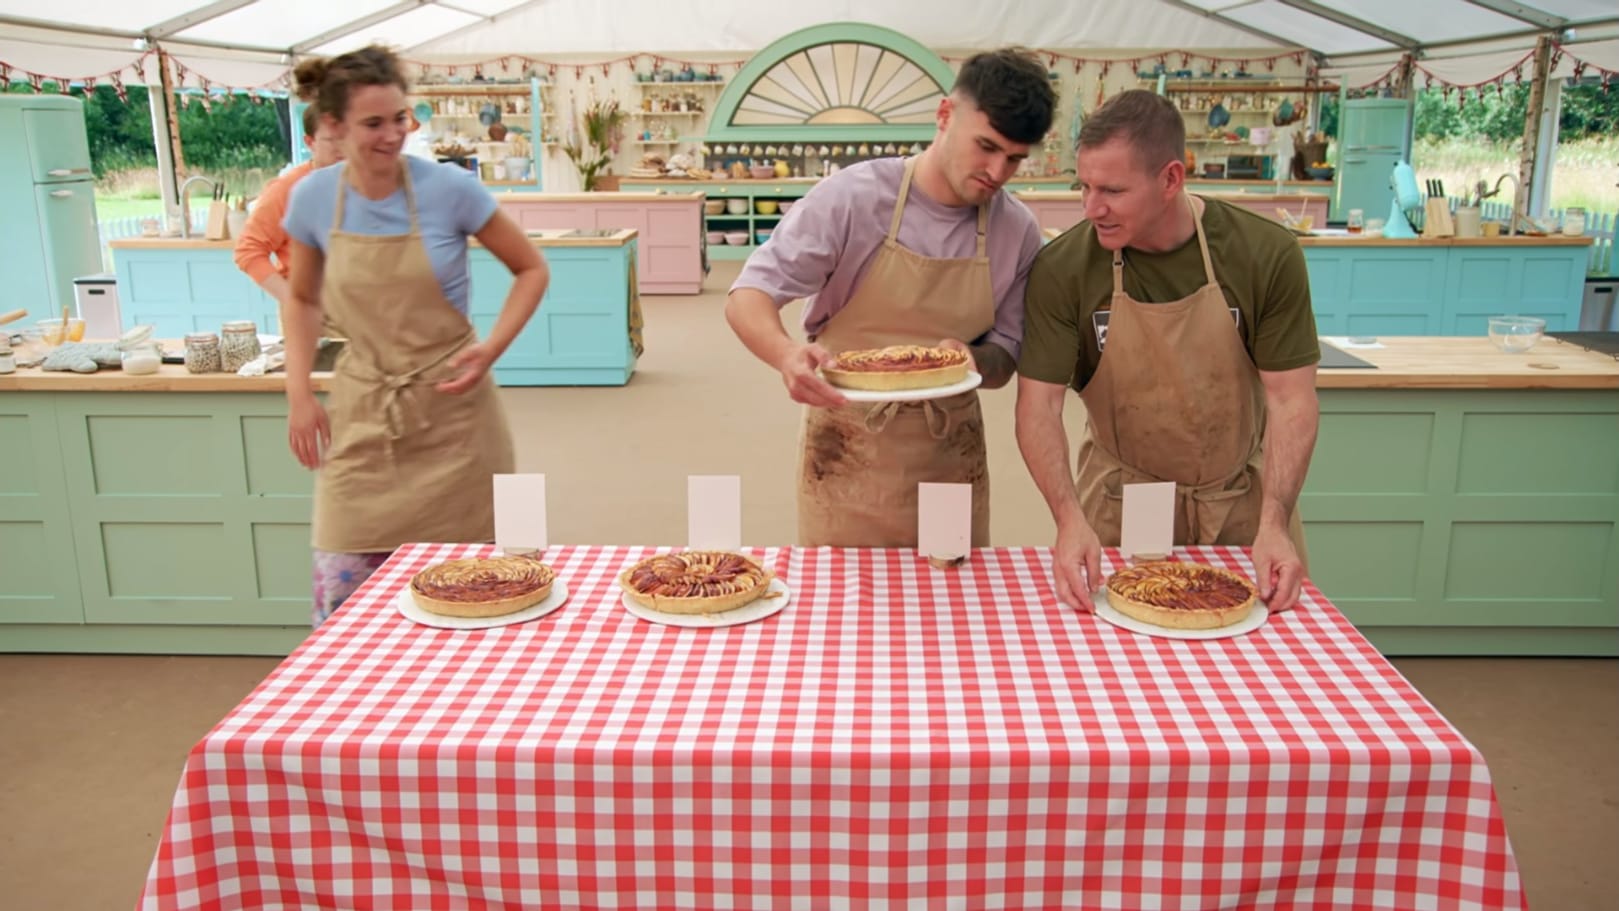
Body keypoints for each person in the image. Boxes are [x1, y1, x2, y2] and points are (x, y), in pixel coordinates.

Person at [724, 48, 1056, 547]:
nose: (997, 171)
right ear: (945, 115)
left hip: (949, 453)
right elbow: (748, 294)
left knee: (951, 608)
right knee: (841, 608)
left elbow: (1007, 353)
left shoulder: (1017, 230)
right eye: (985, 146)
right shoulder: (853, 198)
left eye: (1014, 159)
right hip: (844, 449)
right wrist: (785, 355)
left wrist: (974, 359)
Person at [1015, 89, 1320, 614]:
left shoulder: (1264, 254)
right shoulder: (1063, 269)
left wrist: (1274, 521)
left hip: (1242, 512)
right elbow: (1037, 405)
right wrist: (1068, 520)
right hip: (1118, 506)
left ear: (1171, 179)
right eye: (1083, 187)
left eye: (1112, 190)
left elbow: (1292, 400)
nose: (1091, 209)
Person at [282, 44, 550, 625]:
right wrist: (299, 394)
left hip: (454, 419)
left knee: (477, 596)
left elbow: (531, 268)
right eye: (372, 123)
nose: (391, 135)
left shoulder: (449, 189)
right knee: (344, 599)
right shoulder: (311, 199)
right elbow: (302, 299)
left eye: (399, 119)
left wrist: (491, 348)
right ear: (333, 125)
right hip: (365, 413)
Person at [232, 106, 344, 306]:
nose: (343, 148)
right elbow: (248, 251)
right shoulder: (287, 189)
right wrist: (295, 303)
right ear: (310, 143)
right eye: (332, 140)